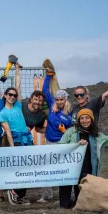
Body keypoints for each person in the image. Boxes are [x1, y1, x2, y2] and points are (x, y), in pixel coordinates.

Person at [0, 63, 33, 206]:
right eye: (10, 95)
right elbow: (7, 132)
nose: (12, 97)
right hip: (16, 139)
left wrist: (17, 71)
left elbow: (18, 86)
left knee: (27, 167)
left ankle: (21, 195)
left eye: (14, 95)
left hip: (27, 137)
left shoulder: (18, 105)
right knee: (18, 167)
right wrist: (12, 147)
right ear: (5, 96)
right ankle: (14, 191)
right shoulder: (2, 113)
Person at [40, 72, 73, 202]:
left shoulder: (69, 114)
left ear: (66, 100)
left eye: (62, 100)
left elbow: (72, 132)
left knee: (60, 169)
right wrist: (48, 75)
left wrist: (65, 131)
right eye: (58, 99)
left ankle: (63, 195)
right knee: (45, 168)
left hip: (61, 143)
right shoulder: (52, 104)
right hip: (48, 142)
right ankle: (47, 195)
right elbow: (45, 90)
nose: (59, 102)